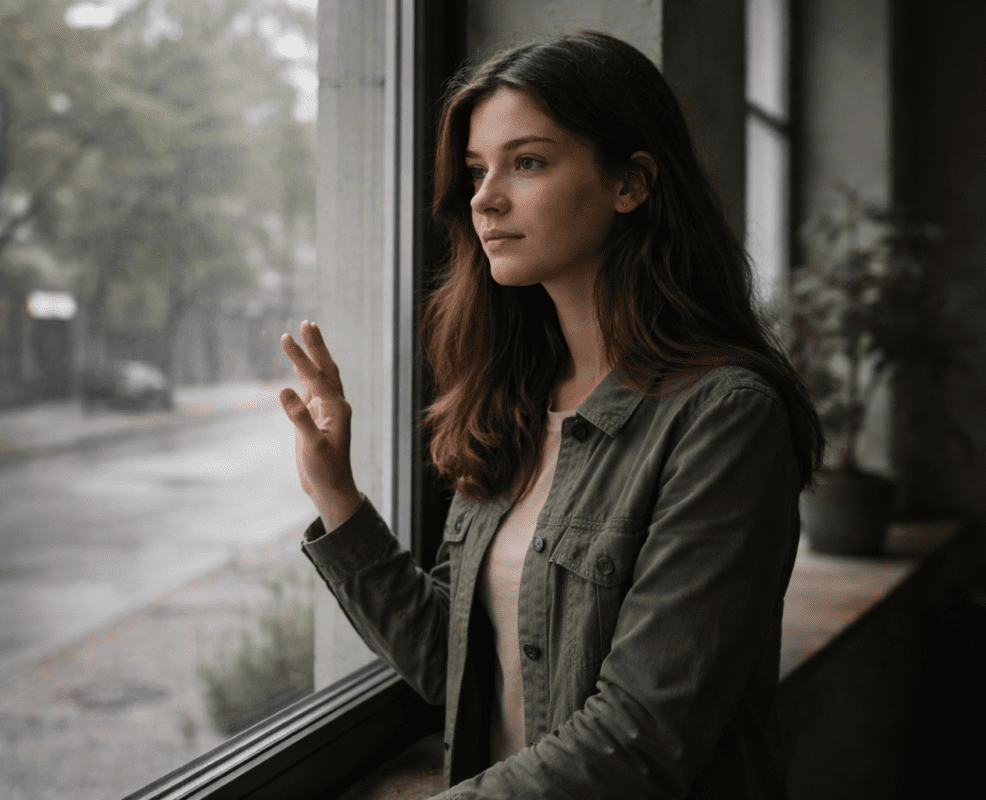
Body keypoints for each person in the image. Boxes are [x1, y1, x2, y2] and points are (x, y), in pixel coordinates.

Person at [278, 30, 823, 800]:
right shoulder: (515, 399)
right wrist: (337, 497)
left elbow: (641, 737)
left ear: (630, 183)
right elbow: (455, 664)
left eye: (526, 162)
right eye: (476, 171)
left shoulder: (725, 417)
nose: (484, 198)